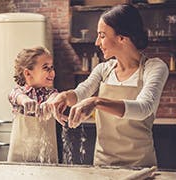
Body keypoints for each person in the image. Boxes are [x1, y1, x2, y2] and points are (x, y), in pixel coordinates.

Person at [47, 4, 169, 167]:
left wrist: (97, 102)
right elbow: (81, 92)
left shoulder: (154, 67)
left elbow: (144, 108)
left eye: (102, 35)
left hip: (140, 165)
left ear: (122, 38)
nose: (97, 42)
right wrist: (63, 96)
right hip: (103, 163)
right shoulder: (104, 69)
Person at [7, 46, 58, 163]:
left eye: (52, 67)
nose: (52, 72)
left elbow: (55, 98)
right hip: (20, 156)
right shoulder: (18, 92)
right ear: (28, 73)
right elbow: (15, 96)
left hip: (46, 155)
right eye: (46, 68)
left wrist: (50, 103)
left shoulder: (52, 93)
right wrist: (25, 100)